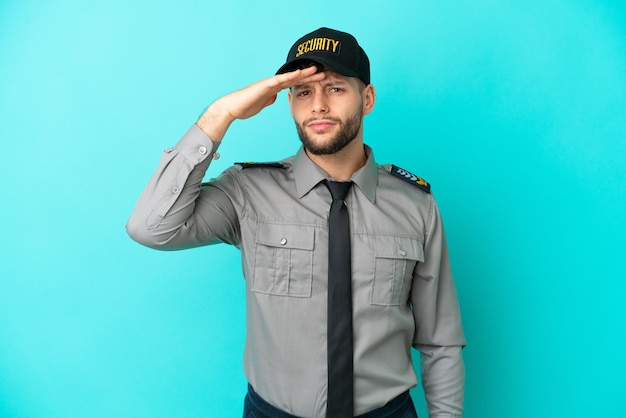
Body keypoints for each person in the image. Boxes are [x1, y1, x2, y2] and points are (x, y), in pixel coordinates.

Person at [127, 27, 465, 418]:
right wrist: (220, 115)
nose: (318, 105)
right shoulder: (248, 191)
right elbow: (150, 227)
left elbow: (441, 341)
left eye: (335, 88)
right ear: (289, 102)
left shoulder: (415, 204)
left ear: (367, 98)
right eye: (304, 92)